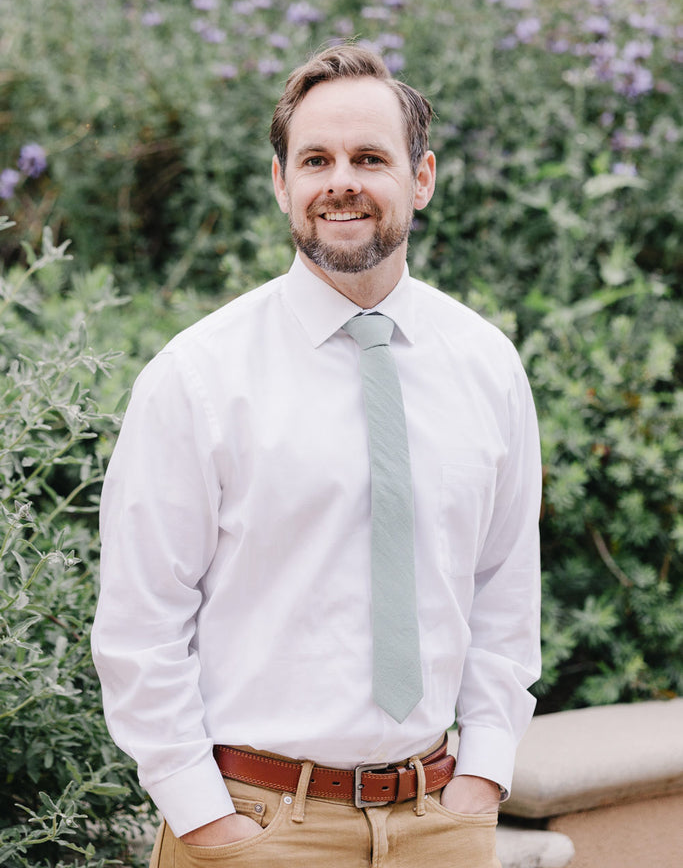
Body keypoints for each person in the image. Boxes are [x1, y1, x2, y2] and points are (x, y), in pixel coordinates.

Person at [91, 43, 542, 868]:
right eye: (316, 159)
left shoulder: (486, 365)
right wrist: (203, 817)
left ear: (422, 179)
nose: (342, 181)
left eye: (370, 157)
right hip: (258, 826)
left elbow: (501, 593)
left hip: (442, 823)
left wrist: (482, 774)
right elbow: (138, 624)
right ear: (280, 183)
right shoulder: (197, 378)